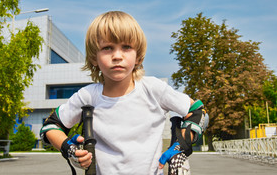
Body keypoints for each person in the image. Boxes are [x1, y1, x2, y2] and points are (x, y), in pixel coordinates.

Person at [40, 11, 207, 175]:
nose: (117, 56)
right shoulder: (87, 96)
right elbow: (49, 127)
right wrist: (70, 149)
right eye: (107, 48)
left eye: (126, 47)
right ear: (93, 57)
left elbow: (198, 111)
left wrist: (181, 146)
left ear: (138, 56)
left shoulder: (154, 89)